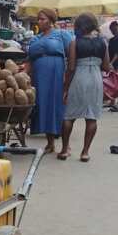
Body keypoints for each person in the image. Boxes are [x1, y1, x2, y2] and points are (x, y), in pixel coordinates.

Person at [59, 13, 110, 161]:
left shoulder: (75, 42)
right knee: (92, 117)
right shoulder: (103, 43)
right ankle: (85, 152)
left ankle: (64, 150)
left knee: (69, 115)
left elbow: (71, 67)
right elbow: (106, 66)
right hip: (95, 79)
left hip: (79, 78)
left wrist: (66, 87)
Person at [26, 8, 68, 153]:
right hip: (39, 75)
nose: (39, 21)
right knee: (43, 105)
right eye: (38, 19)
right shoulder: (36, 38)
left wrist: (68, 75)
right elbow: (29, 59)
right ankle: (50, 143)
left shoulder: (61, 35)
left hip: (56, 73)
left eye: (42, 19)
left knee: (57, 106)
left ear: (51, 21)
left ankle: (65, 145)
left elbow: (71, 54)